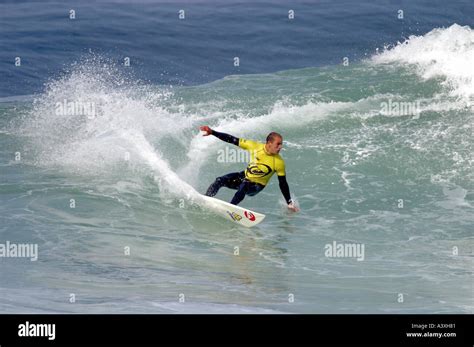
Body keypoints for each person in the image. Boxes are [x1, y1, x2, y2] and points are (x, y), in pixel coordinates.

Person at [200, 125, 299, 212]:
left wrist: (289, 202)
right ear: (269, 143)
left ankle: (230, 209)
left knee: (245, 184)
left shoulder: (279, 162)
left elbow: (283, 183)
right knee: (220, 180)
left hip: (257, 186)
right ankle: (204, 199)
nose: (280, 147)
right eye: (278, 144)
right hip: (245, 176)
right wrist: (212, 132)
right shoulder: (255, 146)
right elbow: (232, 139)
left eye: (281, 144)